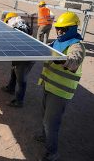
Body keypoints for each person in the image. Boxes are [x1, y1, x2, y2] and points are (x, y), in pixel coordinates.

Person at [36, 12, 85, 161]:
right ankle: (44, 137)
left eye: (63, 29)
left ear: (72, 29)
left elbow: (74, 60)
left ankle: (52, 153)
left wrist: (63, 60)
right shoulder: (58, 42)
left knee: (51, 123)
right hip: (48, 85)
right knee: (44, 117)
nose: (59, 32)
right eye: (58, 28)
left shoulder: (76, 45)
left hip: (60, 92)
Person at [1, 12, 35, 107]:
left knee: (21, 79)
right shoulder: (18, 23)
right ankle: (10, 88)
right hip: (19, 54)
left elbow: (24, 32)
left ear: (10, 19)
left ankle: (19, 101)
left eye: (7, 21)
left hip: (26, 56)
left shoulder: (20, 23)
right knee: (14, 71)